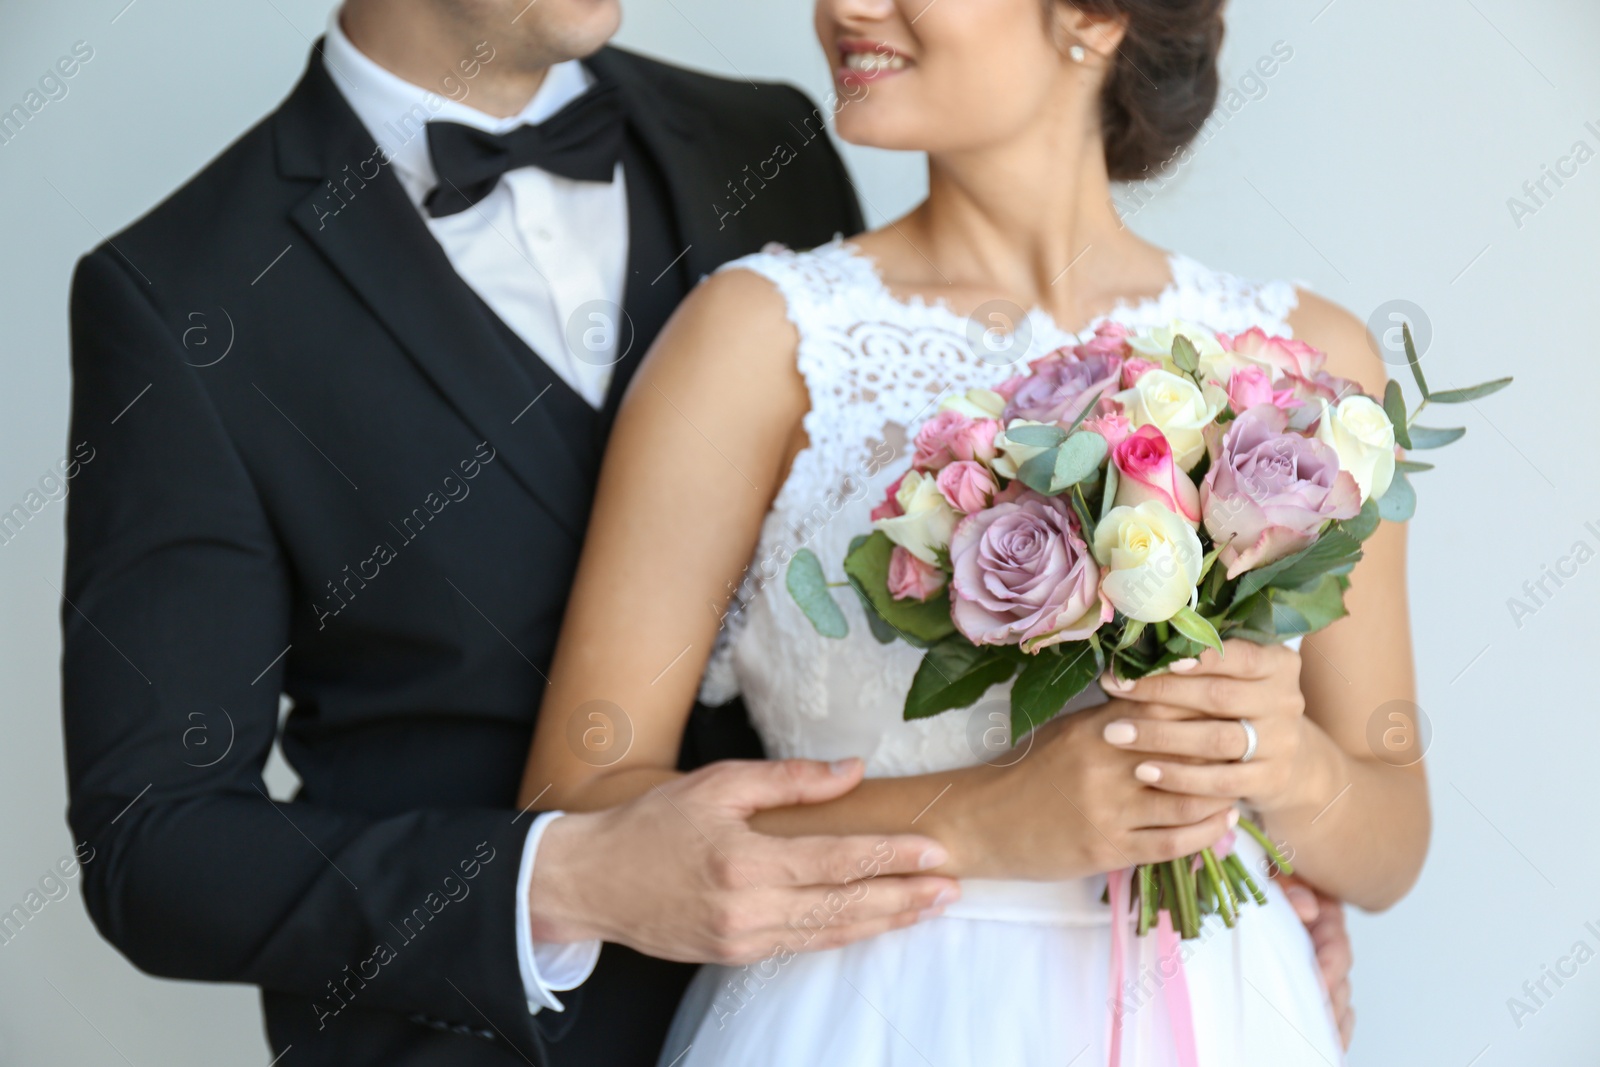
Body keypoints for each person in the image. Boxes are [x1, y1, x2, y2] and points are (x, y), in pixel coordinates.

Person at [60, 1, 1354, 1065]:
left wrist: (1251, 837)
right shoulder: (181, 294)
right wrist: (560, 878)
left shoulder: (770, 135)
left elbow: (846, 590)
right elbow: (154, 843)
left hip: (879, 999)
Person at [514, 0, 1416, 1063]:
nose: (844, 8)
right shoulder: (757, 338)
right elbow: (582, 805)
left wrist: (1280, 761)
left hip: (1221, 1011)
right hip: (854, 1014)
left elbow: (1391, 835)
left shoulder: (1309, 360)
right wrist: (975, 819)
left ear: (1093, 16)